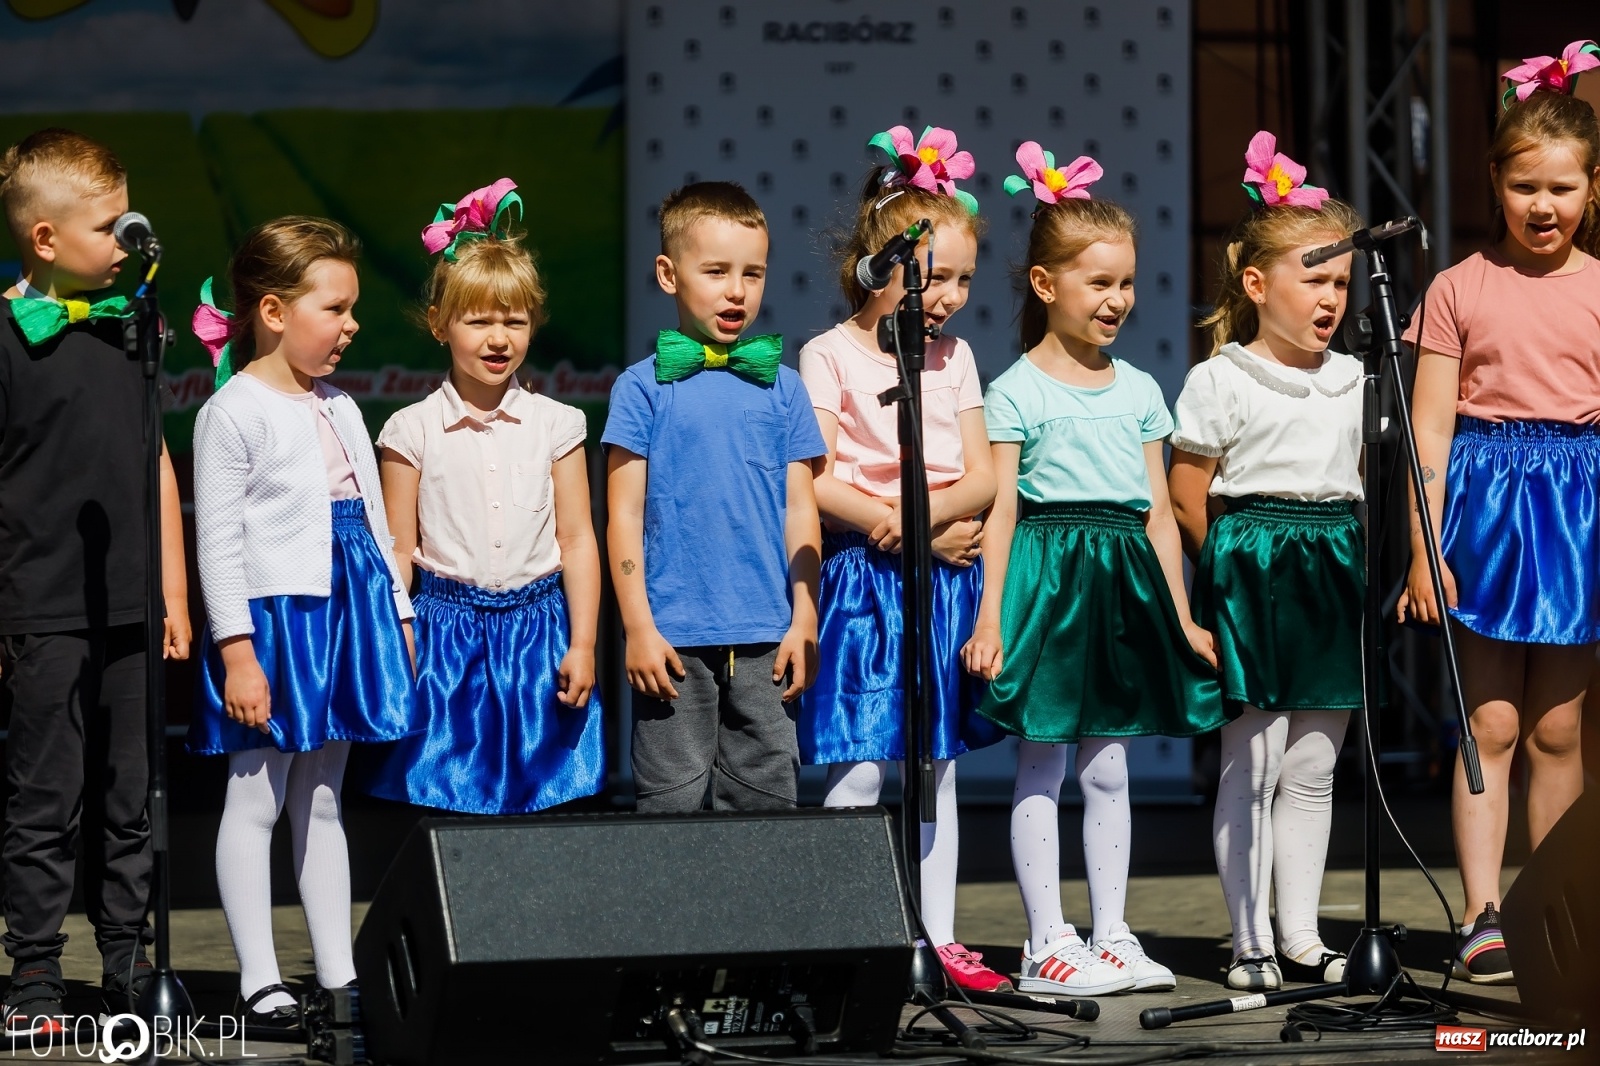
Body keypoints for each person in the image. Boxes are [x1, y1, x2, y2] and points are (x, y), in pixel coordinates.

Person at [962, 143, 1226, 996]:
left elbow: (1155, 511)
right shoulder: (1013, 391)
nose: (1118, 300)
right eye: (1098, 283)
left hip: (1122, 589)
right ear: (1046, 287)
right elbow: (1001, 511)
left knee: (1108, 764)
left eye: (1127, 283)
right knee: (1041, 759)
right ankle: (1047, 940)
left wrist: (1181, 615)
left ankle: (1112, 931)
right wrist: (992, 616)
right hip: (1049, 582)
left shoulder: (1143, 388)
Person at [1400, 41, 1600, 986]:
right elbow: (1428, 432)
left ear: (1593, 189)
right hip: (1485, 508)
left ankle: (1552, 899)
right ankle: (1483, 912)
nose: (1544, 206)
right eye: (1526, 186)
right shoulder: (1458, 287)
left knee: (1562, 730)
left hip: (1578, 511)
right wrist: (1421, 549)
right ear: (1495, 181)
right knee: (1491, 724)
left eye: (1563, 188)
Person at [187, 217, 419, 1028]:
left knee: (323, 797)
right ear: (276, 311)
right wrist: (238, 652)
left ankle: (337, 971)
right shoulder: (232, 412)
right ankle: (259, 977)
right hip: (277, 621)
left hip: (345, 612)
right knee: (255, 795)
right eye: (336, 308)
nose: (351, 324)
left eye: (354, 308)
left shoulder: (341, 406)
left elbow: (377, 526)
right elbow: (217, 544)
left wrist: (397, 607)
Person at [798, 125, 1004, 992]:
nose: (950, 295)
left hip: (942, 580)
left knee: (934, 768)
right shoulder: (828, 353)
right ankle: (847, 935)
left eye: (962, 277)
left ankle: (936, 935)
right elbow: (816, 479)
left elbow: (984, 473)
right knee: (858, 762)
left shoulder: (955, 359)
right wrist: (906, 523)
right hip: (862, 582)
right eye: (935, 274)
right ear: (883, 263)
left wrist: (923, 524)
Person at [0, 128, 191, 1036]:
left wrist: (174, 595)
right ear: (45, 239)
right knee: (47, 790)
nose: (126, 241)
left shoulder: (137, 327)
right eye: (110, 226)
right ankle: (35, 969)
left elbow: (153, 458)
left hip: (131, 595)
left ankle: (127, 956)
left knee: (131, 787)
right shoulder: (7, 335)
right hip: (40, 599)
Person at [1168, 131, 1367, 992]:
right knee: (1252, 764)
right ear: (1257, 284)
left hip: (1331, 561)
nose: (1331, 298)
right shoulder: (1223, 378)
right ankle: (1249, 940)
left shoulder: (1359, 377)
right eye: (1313, 280)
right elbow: (1187, 490)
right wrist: (1230, 575)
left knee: (1315, 766)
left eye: (1341, 284)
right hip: (1252, 563)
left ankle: (1301, 934)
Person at [363, 178, 605, 813]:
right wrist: (403, 639)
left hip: (541, 634)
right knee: (447, 801)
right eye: (479, 321)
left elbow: (578, 538)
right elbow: (397, 551)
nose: (498, 338)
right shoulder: (409, 430)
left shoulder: (559, 424)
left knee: (542, 799)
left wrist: (582, 644)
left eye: (514, 321)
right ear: (440, 325)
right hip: (446, 637)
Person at [603, 181, 825, 812]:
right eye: (717, 271)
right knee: (670, 803)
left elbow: (801, 509)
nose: (737, 290)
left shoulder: (784, 389)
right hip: (671, 641)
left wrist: (804, 619)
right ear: (669, 275)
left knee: (764, 799)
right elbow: (622, 513)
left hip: (768, 640)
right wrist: (639, 627)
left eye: (753, 273)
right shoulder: (640, 389)